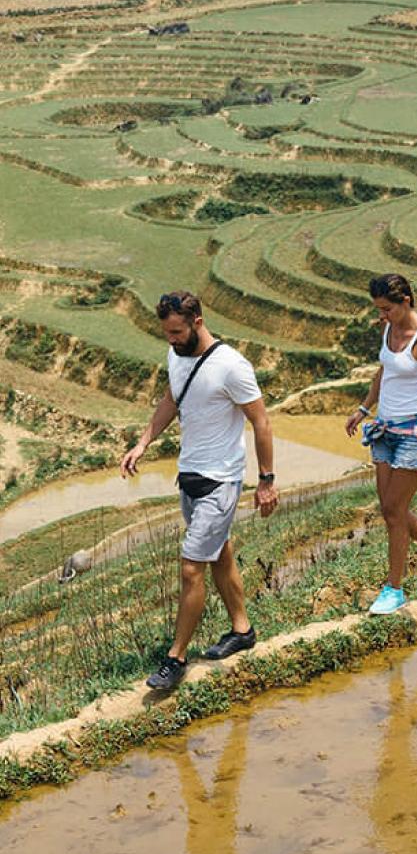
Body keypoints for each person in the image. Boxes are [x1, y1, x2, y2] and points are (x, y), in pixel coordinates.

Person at [121, 291, 278, 689]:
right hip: (189, 477)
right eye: (167, 333)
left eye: (177, 332)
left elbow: (261, 423)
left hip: (221, 482)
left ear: (198, 321)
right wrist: (143, 443)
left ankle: (176, 659)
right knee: (219, 555)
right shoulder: (177, 355)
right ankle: (242, 631)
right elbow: (172, 399)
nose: (171, 340)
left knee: (192, 567)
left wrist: (266, 480)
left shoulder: (231, 366)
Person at [345, 273, 417, 614]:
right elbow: (385, 371)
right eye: (378, 310)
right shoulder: (388, 328)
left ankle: (394, 590)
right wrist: (363, 408)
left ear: (405, 302)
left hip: (415, 430)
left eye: (386, 309)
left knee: (395, 511)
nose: (381, 316)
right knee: (389, 511)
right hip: (384, 429)